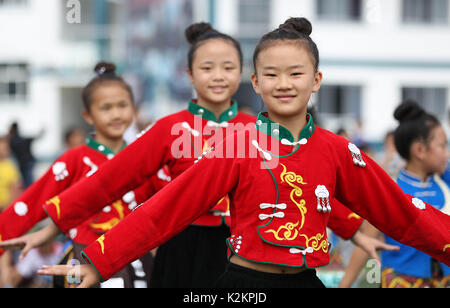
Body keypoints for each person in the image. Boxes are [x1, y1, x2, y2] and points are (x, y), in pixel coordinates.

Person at [35, 17, 450, 288]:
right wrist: (99, 260)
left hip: (306, 280)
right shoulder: (235, 145)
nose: (284, 83)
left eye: (296, 73)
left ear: (317, 80)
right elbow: (166, 207)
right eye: (271, 74)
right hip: (243, 284)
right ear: (256, 81)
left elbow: (401, 210)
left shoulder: (339, 150)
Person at [0, 62, 163, 288]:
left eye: (122, 105)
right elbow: (30, 204)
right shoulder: (74, 160)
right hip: (84, 254)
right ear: (88, 115)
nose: (116, 114)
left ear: (133, 109)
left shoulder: (146, 158)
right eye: (106, 108)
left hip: (136, 258)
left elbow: (167, 203)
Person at [380, 101, 450, 288]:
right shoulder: (391, 190)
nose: (447, 153)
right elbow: (367, 240)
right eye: (442, 146)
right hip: (400, 279)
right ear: (419, 150)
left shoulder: (445, 182)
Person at [7, 122, 44, 188]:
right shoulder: (23, 139)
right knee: (28, 179)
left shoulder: (12, 140)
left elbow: (9, 152)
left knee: (27, 180)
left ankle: (31, 193)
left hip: (23, 162)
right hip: (30, 161)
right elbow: (36, 137)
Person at [0, 137, 21, 212]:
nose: (4, 149)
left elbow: (15, 188)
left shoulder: (10, 166)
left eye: (6, 148)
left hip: (5, 207)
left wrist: (9, 206)